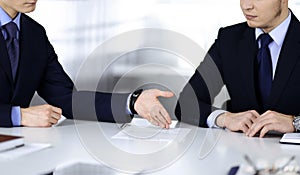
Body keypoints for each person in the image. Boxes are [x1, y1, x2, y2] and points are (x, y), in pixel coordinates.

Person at [0, 0, 173, 128]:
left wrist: (132, 102)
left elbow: (67, 98)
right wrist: (18, 116)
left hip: (19, 151)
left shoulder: (34, 33)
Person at [139, 0, 300, 137]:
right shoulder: (229, 39)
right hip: (241, 153)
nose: (246, 5)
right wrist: (223, 118)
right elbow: (187, 103)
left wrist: (295, 123)